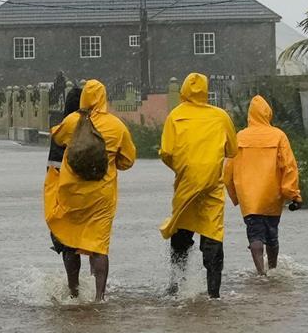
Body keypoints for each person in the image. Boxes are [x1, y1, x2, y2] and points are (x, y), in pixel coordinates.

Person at [47, 79, 137, 301]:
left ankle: (73, 292)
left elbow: (57, 138)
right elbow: (128, 161)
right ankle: (99, 296)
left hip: (72, 194)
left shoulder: (73, 121)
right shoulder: (117, 126)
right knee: (99, 246)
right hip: (101, 197)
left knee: (70, 242)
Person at [158, 72, 237, 298]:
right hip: (213, 184)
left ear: (183, 90)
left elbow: (167, 153)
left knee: (181, 230)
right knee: (213, 233)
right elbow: (232, 150)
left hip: (186, 182)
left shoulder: (175, 116)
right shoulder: (221, 116)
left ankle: (175, 287)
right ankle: (214, 293)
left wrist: (183, 167)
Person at [224, 95, 302, 277]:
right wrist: (293, 194)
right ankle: (273, 269)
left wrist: (236, 196)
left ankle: (261, 273)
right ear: (268, 113)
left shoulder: (240, 137)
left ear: (249, 115)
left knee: (254, 235)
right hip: (272, 195)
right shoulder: (278, 136)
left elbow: (227, 172)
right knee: (272, 234)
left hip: (249, 198)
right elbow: (289, 167)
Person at [43, 83, 82, 252]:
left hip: (63, 191)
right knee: (95, 245)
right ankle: (99, 279)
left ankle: (72, 279)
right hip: (92, 191)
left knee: (67, 243)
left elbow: (53, 166)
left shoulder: (61, 129)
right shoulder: (98, 127)